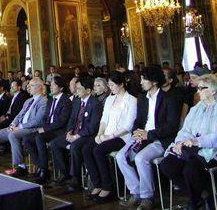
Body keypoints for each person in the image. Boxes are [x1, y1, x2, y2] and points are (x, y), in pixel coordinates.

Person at [116, 66, 182, 210]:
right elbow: (139, 121)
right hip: (143, 137)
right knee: (120, 157)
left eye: (143, 79)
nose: (141, 82)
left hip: (159, 139)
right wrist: (136, 133)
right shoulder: (143, 98)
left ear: (153, 81)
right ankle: (136, 193)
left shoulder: (168, 98)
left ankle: (147, 197)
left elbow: (172, 126)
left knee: (140, 158)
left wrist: (149, 134)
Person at [160, 74, 217, 210]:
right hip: (191, 147)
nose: (197, 91)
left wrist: (196, 141)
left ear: (213, 91)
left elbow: (215, 136)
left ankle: (194, 202)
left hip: (210, 149)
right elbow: (185, 130)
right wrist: (180, 142)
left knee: (190, 170)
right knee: (167, 165)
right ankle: (203, 195)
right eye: (197, 88)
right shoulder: (196, 108)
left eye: (201, 88)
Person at [82, 71, 137, 202]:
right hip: (106, 134)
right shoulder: (110, 99)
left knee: (98, 150)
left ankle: (107, 186)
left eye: (112, 85)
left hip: (122, 137)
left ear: (122, 84)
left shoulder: (132, 100)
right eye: (110, 85)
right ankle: (97, 184)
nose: (110, 88)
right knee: (86, 149)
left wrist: (109, 136)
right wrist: (100, 133)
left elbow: (128, 126)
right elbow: (104, 119)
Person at [0, 78, 47, 177]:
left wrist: (20, 127)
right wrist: (13, 124)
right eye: (28, 85)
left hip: (31, 128)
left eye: (32, 85)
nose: (28, 87)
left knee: (12, 135)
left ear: (39, 87)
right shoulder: (28, 101)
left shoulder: (43, 101)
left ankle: (20, 166)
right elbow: (19, 115)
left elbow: (38, 121)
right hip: (18, 127)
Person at [50, 76, 101, 190]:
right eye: (76, 88)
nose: (76, 91)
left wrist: (77, 136)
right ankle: (65, 173)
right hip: (74, 132)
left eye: (79, 89)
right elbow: (72, 119)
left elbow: (93, 127)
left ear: (88, 91)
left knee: (75, 146)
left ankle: (75, 178)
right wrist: (69, 132)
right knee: (55, 144)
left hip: (87, 136)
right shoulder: (77, 101)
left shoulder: (95, 104)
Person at [23, 76, 72, 184]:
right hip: (48, 129)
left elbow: (61, 122)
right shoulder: (51, 100)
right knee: (27, 139)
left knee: (39, 137)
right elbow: (45, 117)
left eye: (54, 85)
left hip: (59, 130)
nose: (51, 87)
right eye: (51, 84)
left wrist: (44, 129)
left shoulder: (66, 100)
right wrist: (43, 127)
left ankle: (44, 172)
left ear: (61, 88)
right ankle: (40, 166)